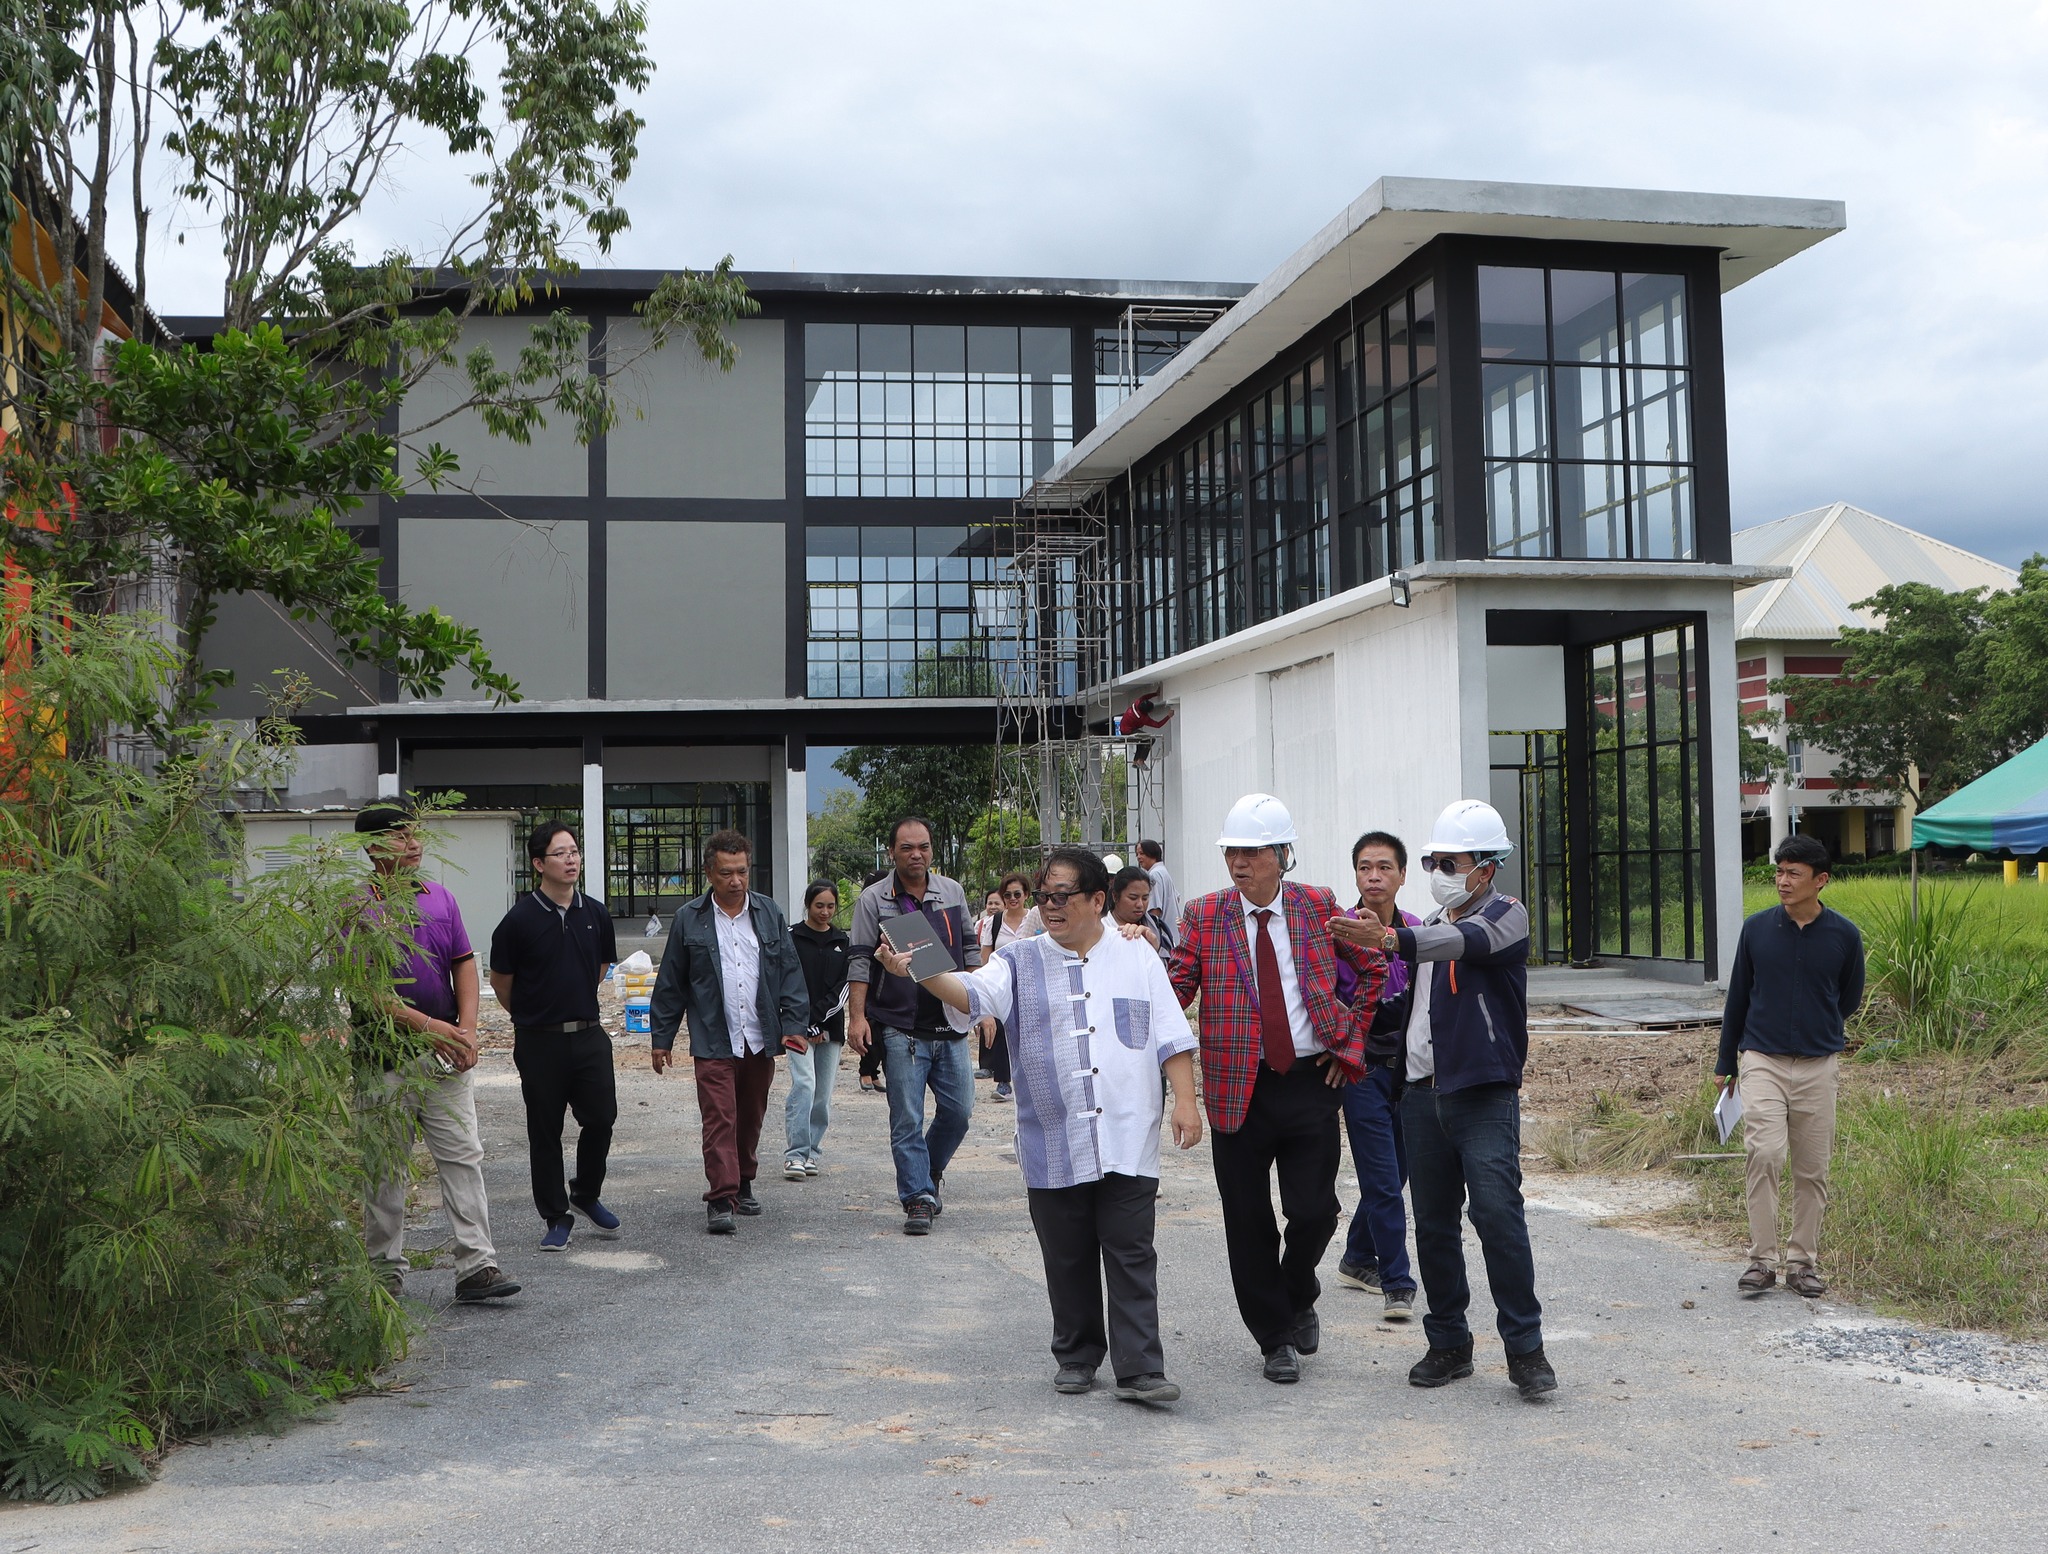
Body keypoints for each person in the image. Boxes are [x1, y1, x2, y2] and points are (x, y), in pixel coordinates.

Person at [877, 847, 1202, 1404]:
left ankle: (1141, 1368)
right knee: (1066, 1252)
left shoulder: (1137, 955)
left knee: (1131, 1250)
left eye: (1062, 897)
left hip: (1127, 1132)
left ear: (1097, 901)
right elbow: (970, 993)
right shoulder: (1018, 960)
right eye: (1045, 896)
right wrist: (919, 970)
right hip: (1052, 1134)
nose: (1050, 906)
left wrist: (1187, 1103)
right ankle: (1077, 1355)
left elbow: (1170, 1035)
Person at [1337, 799, 1556, 1400]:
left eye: (1451, 863)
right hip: (1419, 1096)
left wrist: (1390, 938)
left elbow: (1464, 942)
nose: (1440, 872)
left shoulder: (1505, 915)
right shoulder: (1433, 922)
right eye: (1435, 861)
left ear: (1486, 867)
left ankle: (1526, 1350)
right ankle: (1449, 1343)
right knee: (1434, 1226)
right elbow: (1409, 999)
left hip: (1481, 1096)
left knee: (1497, 1218)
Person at [1168, 793, 1385, 1384]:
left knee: (1314, 1211)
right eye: (1231, 852)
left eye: (1253, 852)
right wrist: (1126, 947)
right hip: (1238, 1088)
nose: (1239, 863)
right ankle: (1274, 1338)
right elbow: (1175, 989)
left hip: (1310, 1080)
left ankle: (1298, 1289)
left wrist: (1350, 1041)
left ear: (1283, 854)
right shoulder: (1205, 914)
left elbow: (1373, 966)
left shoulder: (1317, 904)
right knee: (1247, 1221)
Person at [351, 802, 518, 1303]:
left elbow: (464, 962)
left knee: (463, 1157)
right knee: (385, 1168)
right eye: (400, 836)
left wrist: (467, 1030)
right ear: (372, 847)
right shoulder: (356, 907)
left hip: (444, 1057)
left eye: (415, 833)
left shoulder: (439, 898)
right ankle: (383, 1272)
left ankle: (477, 1265)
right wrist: (434, 1028)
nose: (414, 844)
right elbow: (367, 992)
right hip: (384, 1059)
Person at [1715, 834, 1865, 1298]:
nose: (1782, 881)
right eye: (1779, 872)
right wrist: (1726, 1061)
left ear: (1820, 880)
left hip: (1819, 1065)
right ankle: (1761, 1261)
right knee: (1765, 1154)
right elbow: (1738, 997)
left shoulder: (1844, 935)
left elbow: (1848, 998)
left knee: (1812, 1169)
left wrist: (1817, 1026)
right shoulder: (1757, 930)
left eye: (1793, 873)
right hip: (1762, 1059)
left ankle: (1802, 1264)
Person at [648, 830, 810, 1234]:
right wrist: (661, 1038)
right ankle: (721, 1197)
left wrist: (794, 1025)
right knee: (719, 1116)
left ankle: (744, 1181)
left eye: (742, 871)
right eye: (726, 873)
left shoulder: (768, 913)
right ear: (709, 873)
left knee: (751, 1115)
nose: (736, 881)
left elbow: (790, 972)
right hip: (713, 1035)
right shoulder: (689, 918)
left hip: (758, 1036)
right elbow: (671, 982)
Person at [489, 823, 621, 1253]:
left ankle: (586, 1192)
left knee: (601, 1118)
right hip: (539, 1041)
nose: (571, 859)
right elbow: (501, 982)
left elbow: (600, 968)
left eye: (574, 851)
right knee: (545, 1131)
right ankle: (556, 1214)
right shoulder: (518, 920)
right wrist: (535, 1015)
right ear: (538, 863)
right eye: (560, 853)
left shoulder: (596, 913)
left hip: (588, 1035)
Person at [846, 816, 981, 1235]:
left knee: (959, 1112)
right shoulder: (874, 900)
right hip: (900, 1026)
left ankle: (928, 1171)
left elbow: (971, 951)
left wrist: (982, 1006)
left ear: (932, 849)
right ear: (891, 852)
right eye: (906, 848)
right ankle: (918, 1197)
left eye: (923, 846)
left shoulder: (952, 892)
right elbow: (859, 959)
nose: (916, 855)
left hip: (950, 1022)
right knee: (906, 1118)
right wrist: (856, 1017)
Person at [1332, 831, 1419, 1321]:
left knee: (1397, 1174)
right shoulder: (1339, 934)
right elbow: (1328, 1001)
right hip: (1362, 1071)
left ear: (1402, 875)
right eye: (1365, 867)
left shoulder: (1418, 931)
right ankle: (1397, 1282)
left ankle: (1358, 1256)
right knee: (1383, 1180)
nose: (1374, 876)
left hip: (1411, 1073)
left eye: (1385, 867)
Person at [785, 880, 851, 1180]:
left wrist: (819, 1020)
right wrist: (802, 1022)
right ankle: (795, 1155)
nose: (825, 912)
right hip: (796, 1027)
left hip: (830, 1029)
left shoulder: (843, 942)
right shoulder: (791, 937)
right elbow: (785, 981)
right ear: (808, 905)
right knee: (804, 1086)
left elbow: (845, 987)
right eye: (819, 905)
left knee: (822, 1095)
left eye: (830, 906)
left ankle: (812, 1151)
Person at [977, 871, 1035, 1102]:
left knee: (1029, 1033)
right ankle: (1003, 1081)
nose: (1012, 899)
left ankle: (1029, 1080)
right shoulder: (993, 922)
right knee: (1001, 1030)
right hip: (1001, 984)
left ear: (1026, 895)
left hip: (1029, 984)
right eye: (1007, 895)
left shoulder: (1035, 918)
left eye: (1017, 894)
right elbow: (985, 956)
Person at [855, 867, 891, 1096]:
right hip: (871, 977)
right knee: (873, 1027)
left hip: (893, 977)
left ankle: (874, 1072)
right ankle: (866, 1070)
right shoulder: (866, 912)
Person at [1108, 864, 1172, 963]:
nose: (1140, 904)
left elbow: (1171, 967)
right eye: (1133, 898)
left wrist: (1156, 949)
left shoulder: (1158, 928)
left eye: (1145, 898)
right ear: (1115, 896)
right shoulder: (1101, 929)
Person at [1136, 839, 1179, 935]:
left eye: (1142, 853)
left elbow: (1155, 909)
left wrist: (1150, 933)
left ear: (1152, 853)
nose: (1138, 857)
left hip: (1162, 934)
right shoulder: (1162, 871)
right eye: (1137, 854)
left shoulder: (1155, 875)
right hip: (1172, 931)